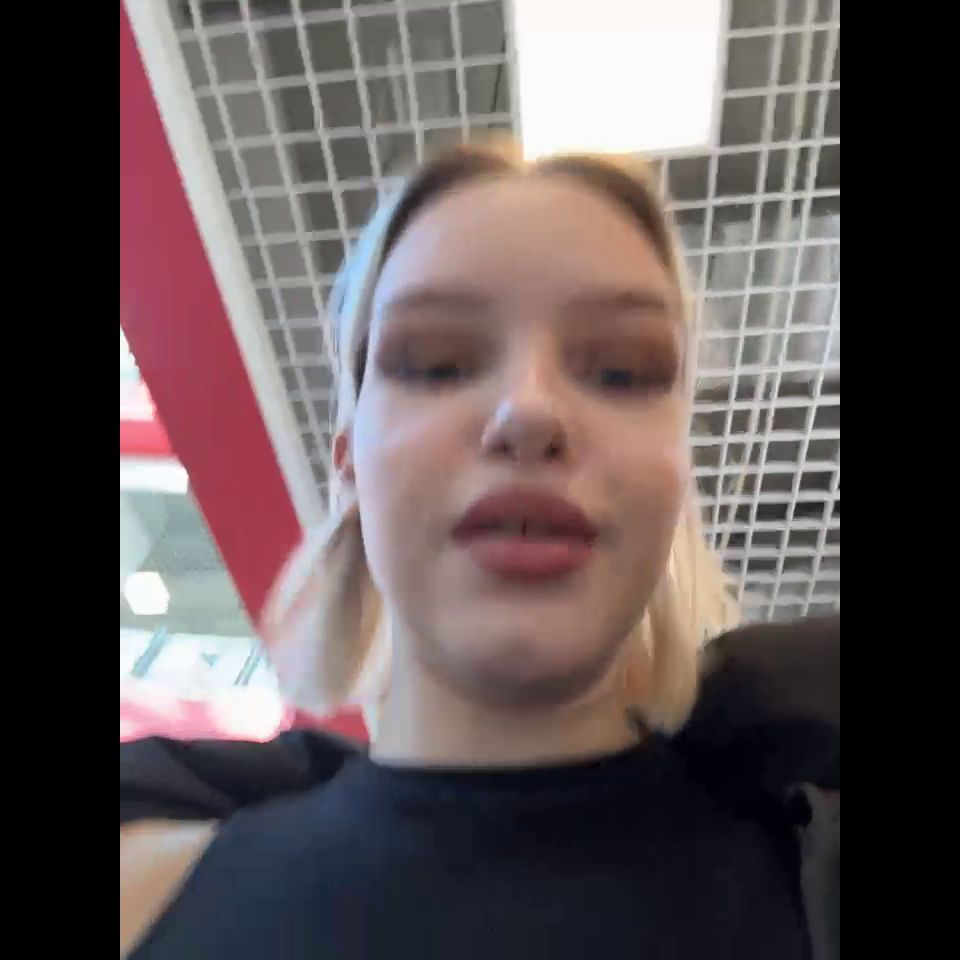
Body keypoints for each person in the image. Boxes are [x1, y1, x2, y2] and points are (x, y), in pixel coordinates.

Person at [119, 144, 840, 960]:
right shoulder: (140, 890)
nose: (529, 412)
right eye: (436, 365)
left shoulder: (813, 882)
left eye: (622, 372)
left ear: (676, 472)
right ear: (349, 464)